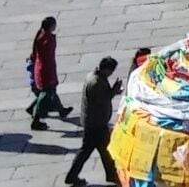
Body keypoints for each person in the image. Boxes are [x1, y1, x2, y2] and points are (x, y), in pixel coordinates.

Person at [66, 57, 120, 187]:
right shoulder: (96, 82)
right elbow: (103, 99)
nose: (111, 74)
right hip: (96, 124)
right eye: (111, 71)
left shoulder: (94, 76)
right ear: (106, 69)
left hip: (93, 121)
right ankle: (72, 176)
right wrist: (115, 90)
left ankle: (111, 175)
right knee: (93, 151)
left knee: (101, 150)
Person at [27, 15, 69, 128]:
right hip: (46, 71)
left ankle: (61, 110)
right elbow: (48, 57)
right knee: (46, 94)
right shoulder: (47, 39)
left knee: (48, 93)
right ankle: (36, 118)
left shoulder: (41, 35)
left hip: (42, 68)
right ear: (51, 26)